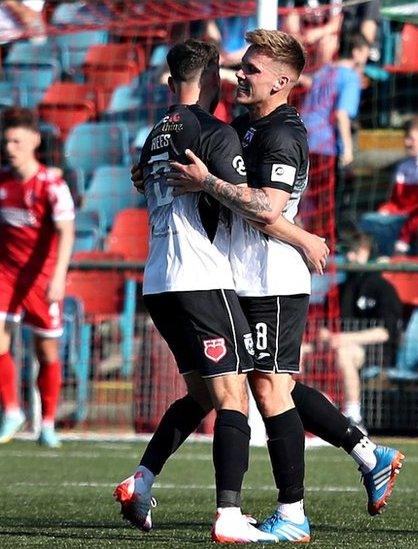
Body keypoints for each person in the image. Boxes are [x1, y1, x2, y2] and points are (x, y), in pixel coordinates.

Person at [164, 31, 404, 540]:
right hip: (243, 276)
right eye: (242, 65)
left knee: (271, 390)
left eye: (251, 68)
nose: (240, 75)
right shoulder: (248, 125)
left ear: (282, 82)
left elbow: (266, 209)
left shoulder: (283, 134)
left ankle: (292, 513)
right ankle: (368, 453)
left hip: (272, 280)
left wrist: (209, 184)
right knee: (274, 384)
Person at [112, 39, 278, 543]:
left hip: (159, 281)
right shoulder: (214, 132)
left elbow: (147, 182)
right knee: (234, 398)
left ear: (170, 83)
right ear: (212, 81)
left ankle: (140, 482)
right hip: (201, 277)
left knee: (203, 393)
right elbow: (252, 204)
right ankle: (229, 514)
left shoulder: (153, 135)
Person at [0, 107, 73, 447]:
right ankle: (12, 410)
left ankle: (47, 423)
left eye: (16, 140)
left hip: (41, 279)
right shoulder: (3, 183)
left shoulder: (52, 184)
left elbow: (67, 231)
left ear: (34, 141)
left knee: (47, 352)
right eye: (7, 140)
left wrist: (58, 277)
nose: (9, 146)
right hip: (7, 274)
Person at [322, 233, 402, 427]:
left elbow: (384, 333)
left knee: (344, 353)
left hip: (375, 351)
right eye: (347, 252)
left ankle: (353, 416)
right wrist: (326, 337)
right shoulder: (338, 289)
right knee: (297, 354)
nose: (349, 257)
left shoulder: (383, 288)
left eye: (353, 252)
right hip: (334, 345)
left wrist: (344, 338)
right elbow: (323, 328)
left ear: (366, 253)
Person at [299, 32, 369, 235]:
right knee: (325, 203)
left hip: (305, 139)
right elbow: (341, 115)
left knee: (306, 196)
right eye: (365, 52)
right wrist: (347, 150)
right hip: (325, 145)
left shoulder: (325, 71)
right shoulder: (350, 77)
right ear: (356, 52)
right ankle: (323, 250)